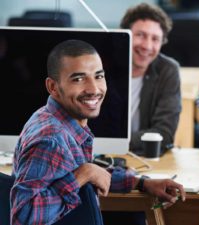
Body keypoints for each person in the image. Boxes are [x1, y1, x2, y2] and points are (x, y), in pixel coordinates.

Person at [10, 39, 186, 225]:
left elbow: (79, 171)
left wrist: (141, 183)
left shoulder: (55, 119)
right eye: (78, 79)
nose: (94, 89)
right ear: (53, 87)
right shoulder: (51, 139)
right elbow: (23, 217)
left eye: (98, 76)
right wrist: (83, 174)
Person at [120, 3, 181, 154]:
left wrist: (120, 142)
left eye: (155, 39)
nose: (147, 46)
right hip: (100, 156)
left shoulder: (167, 70)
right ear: (125, 34)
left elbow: (164, 133)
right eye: (140, 35)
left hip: (145, 158)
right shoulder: (101, 66)